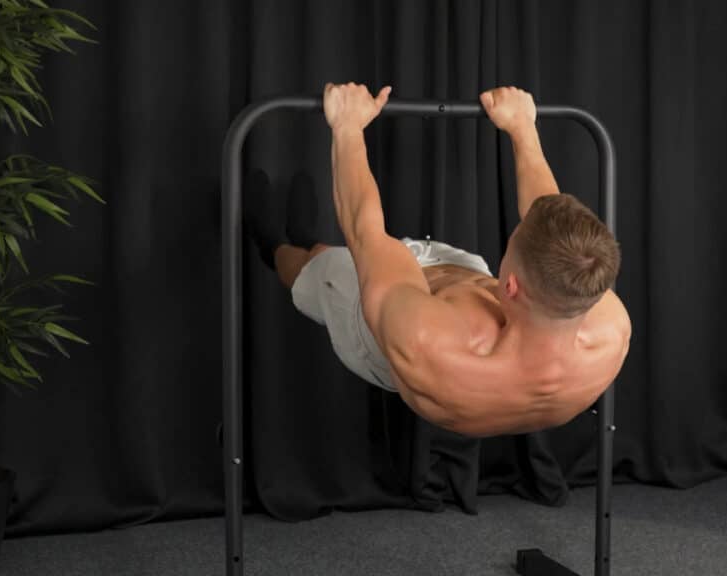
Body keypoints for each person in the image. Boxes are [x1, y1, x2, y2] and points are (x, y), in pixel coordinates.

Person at [245, 83, 631, 438]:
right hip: (459, 280)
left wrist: (347, 127)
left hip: (388, 324)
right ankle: (308, 240)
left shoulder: (429, 342)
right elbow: (547, 222)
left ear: (511, 285)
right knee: (353, 254)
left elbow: (364, 234)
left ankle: (275, 247)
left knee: (322, 267)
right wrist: (522, 128)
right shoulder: (609, 325)